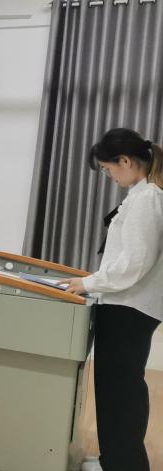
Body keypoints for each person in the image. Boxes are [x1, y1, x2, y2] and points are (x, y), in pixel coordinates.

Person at [61, 129, 163, 471]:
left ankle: (124, 464)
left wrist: (89, 283)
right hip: (126, 306)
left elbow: (135, 263)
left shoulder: (147, 199)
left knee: (120, 391)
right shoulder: (143, 194)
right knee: (117, 388)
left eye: (108, 169)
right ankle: (115, 460)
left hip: (128, 309)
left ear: (126, 161)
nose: (110, 176)